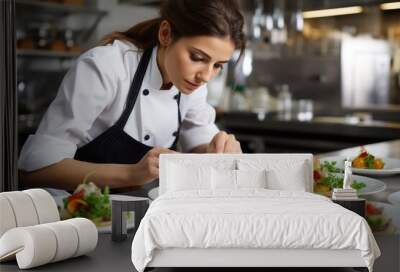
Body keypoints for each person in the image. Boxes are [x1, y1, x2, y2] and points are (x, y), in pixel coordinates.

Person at [18, 0, 245, 192]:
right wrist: (131, 174)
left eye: (218, 66)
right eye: (197, 57)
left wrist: (217, 150)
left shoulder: (191, 84)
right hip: (78, 217)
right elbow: (35, 171)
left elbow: (200, 142)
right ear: (166, 34)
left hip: (142, 218)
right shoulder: (106, 67)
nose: (205, 76)